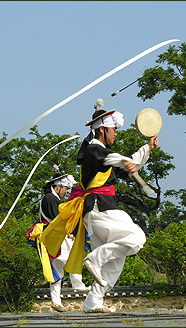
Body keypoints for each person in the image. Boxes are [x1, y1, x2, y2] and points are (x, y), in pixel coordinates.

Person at [76, 108, 159, 313]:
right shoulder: (93, 149)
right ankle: (95, 259)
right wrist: (124, 161)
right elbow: (110, 158)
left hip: (100, 211)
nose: (116, 133)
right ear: (102, 129)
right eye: (113, 129)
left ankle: (93, 302)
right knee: (136, 237)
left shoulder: (103, 154)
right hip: (99, 208)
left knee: (114, 264)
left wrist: (146, 148)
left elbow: (124, 166)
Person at [40, 172, 91, 312]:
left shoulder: (51, 199)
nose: (66, 191)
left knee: (57, 269)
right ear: (58, 187)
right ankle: (77, 284)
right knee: (72, 258)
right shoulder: (50, 199)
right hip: (57, 236)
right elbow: (57, 220)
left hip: (54, 237)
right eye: (65, 189)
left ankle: (56, 301)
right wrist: (68, 232)